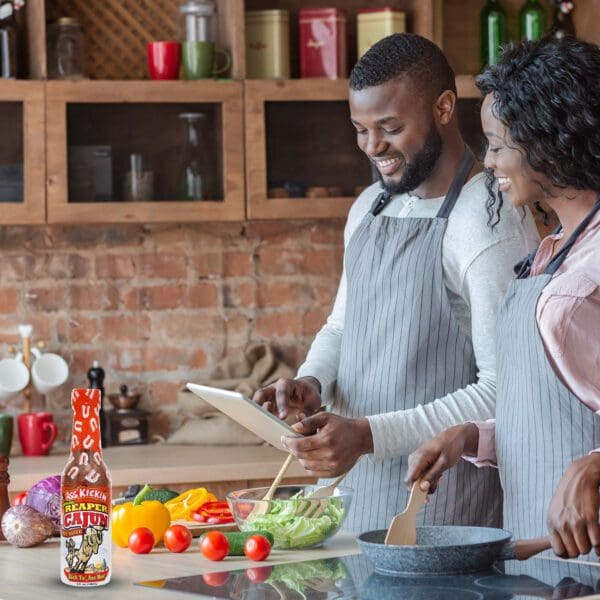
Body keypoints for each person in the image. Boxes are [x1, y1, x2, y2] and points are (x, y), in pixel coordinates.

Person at [253, 33, 539, 532]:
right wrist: (311, 380)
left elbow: (506, 389)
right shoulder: (370, 205)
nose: (372, 147)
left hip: (442, 510)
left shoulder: (485, 220)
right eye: (360, 129)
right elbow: (343, 326)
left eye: (390, 127)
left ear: (445, 106)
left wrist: (367, 435)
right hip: (355, 498)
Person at [406, 36, 600, 560]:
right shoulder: (556, 251)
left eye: (497, 143)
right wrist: (470, 437)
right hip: (545, 565)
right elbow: (553, 416)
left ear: (547, 142)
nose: (487, 160)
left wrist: (596, 464)